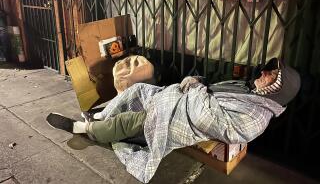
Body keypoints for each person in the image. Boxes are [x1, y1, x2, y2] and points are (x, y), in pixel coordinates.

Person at [47, 57, 300, 183]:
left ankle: (87, 129)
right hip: (183, 100)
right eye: (268, 70)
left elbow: (206, 117)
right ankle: (101, 114)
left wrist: (195, 89)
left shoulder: (256, 117)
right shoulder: (249, 90)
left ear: (277, 89)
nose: (264, 73)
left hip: (185, 120)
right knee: (137, 91)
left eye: (271, 75)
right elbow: (213, 90)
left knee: (137, 121)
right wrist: (198, 82)